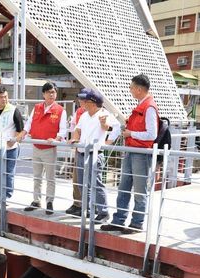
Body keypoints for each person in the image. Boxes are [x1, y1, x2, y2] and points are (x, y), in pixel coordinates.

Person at [102, 74, 158, 233]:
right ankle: (119, 220)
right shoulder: (143, 105)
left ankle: (136, 223)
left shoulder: (149, 107)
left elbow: (151, 134)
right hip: (131, 151)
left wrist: (130, 133)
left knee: (140, 191)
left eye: (132, 87)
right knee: (124, 187)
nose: (130, 90)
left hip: (140, 153)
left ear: (139, 89)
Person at [67, 89, 120, 223]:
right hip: (81, 152)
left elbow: (116, 128)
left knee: (96, 183)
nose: (84, 102)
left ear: (93, 103)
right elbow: (77, 129)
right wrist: (75, 138)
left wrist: (106, 142)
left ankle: (103, 212)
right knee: (81, 183)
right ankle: (89, 210)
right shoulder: (85, 115)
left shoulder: (104, 114)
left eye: (87, 101)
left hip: (95, 154)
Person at [21, 82, 68, 215]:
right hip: (36, 146)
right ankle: (36, 200)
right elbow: (29, 123)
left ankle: (49, 202)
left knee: (50, 177)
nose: (51, 95)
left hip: (49, 148)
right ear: (43, 94)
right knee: (36, 176)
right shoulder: (36, 108)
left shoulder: (60, 110)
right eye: (48, 92)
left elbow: (63, 130)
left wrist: (57, 139)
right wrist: (23, 133)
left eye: (53, 92)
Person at [0, 85, 24, 201]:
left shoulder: (14, 110)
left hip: (10, 148)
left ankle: (7, 196)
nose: (4, 99)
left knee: (8, 173)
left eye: (6, 96)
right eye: (1, 97)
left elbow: (21, 130)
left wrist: (12, 142)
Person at [66, 90, 88, 216]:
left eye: (83, 99)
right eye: (79, 99)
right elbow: (74, 126)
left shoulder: (96, 112)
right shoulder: (79, 112)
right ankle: (77, 203)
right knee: (76, 178)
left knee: (88, 179)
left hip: (90, 150)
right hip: (78, 148)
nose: (80, 101)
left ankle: (88, 205)